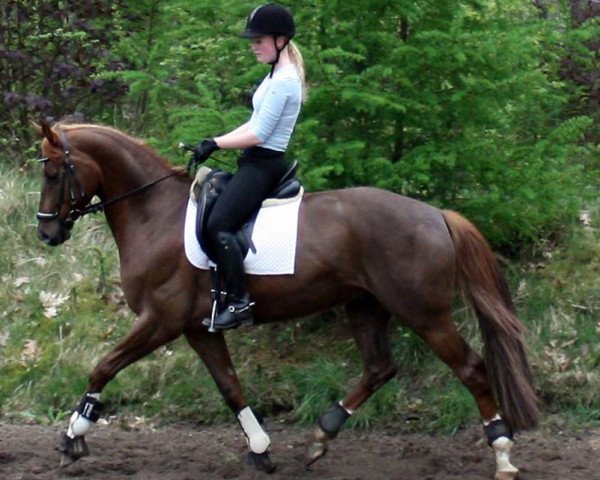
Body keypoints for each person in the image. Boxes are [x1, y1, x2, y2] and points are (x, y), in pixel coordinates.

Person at [192, 3, 306, 331]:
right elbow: (251, 123)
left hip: (264, 166)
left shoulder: (285, 81)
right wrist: (213, 140)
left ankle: (240, 303)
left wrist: (215, 143)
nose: (254, 46)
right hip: (254, 162)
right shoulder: (274, 76)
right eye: (252, 40)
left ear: (281, 40)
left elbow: (258, 134)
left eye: (260, 40)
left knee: (220, 225)